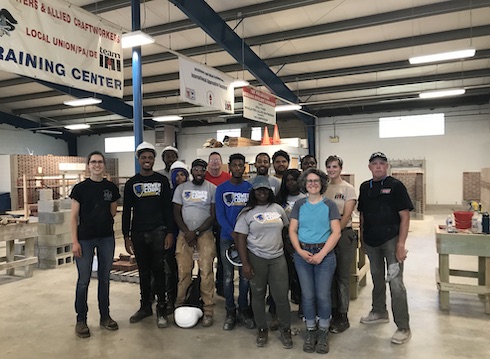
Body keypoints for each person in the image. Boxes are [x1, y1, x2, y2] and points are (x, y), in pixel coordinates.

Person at [357, 152, 413, 345]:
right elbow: (362, 215)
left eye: (382, 163)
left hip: (391, 241)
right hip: (371, 242)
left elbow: (405, 216)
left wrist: (401, 244)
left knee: (396, 283)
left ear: (387, 166)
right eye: (375, 164)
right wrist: (362, 240)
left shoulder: (396, 186)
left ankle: (403, 327)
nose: (378, 167)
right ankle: (379, 311)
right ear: (369, 167)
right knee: (376, 278)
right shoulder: (365, 187)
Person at [235, 176, 293, 349]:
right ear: (253, 192)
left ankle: (285, 329)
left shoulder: (278, 209)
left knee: (281, 296)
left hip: (277, 258)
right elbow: (241, 239)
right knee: (258, 294)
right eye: (258, 189)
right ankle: (262, 328)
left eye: (265, 189)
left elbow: (286, 231)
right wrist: (245, 264)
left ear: (270, 191)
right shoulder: (246, 213)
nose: (262, 192)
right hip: (256, 257)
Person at [122, 142, 174, 328]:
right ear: (138, 160)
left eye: (150, 158)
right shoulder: (131, 183)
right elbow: (127, 210)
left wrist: (169, 232)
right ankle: (145, 307)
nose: (147, 161)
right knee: (143, 271)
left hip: (158, 231)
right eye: (143, 158)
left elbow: (168, 208)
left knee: (159, 271)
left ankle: (161, 307)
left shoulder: (162, 181)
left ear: (153, 160)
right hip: (138, 233)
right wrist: (126, 236)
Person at [289, 168, 341, 354]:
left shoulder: (330, 205)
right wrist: (300, 251)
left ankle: (323, 331)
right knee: (308, 295)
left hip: (324, 254)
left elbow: (336, 232)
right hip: (303, 254)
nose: (312, 184)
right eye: (309, 181)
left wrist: (321, 254)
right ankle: (311, 330)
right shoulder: (299, 205)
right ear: (304, 183)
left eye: (316, 181)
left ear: (322, 184)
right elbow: (292, 230)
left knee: (322, 295)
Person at [71, 151, 121, 338]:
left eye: (100, 162)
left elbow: (113, 212)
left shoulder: (111, 188)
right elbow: (74, 217)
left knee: (104, 279)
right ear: (88, 165)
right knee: (83, 280)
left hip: (106, 238)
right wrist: (75, 241)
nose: (97, 165)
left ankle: (105, 316)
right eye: (93, 162)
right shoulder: (80, 188)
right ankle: (81, 320)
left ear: (104, 165)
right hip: (84, 239)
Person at [173, 159, 217, 327]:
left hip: (204, 235)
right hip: (184, 235)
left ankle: (208, 310)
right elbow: (176, 212)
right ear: (191, 170)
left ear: (206, 171)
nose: (199, 172)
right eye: (196, 169)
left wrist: (197, 232)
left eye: (202, 169)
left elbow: (213, 215)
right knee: (184, 272)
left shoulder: (212, 188)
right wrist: (186, 232)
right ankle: (180, 304)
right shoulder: (181, 189)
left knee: (206, 272)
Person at [215, 153, 254, 330]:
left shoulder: (250, 188)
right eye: (235, 165)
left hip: (246, 239)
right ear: (229, 167)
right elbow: (219, 214)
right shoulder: (221, 189)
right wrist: (233, 233)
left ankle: (244, 310)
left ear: (244, 168)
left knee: (245, 277)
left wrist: (242, 234)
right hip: (227, 238)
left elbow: (252, 212)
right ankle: (230, 311)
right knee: (228, 277)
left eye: (241, 165)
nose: (238, 168)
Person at [325, 155, 357, 334]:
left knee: (342, 277)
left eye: (334, 166)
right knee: (329, 276)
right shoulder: (323, 188)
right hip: (326, 236)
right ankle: (332, 311)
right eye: (328, 167)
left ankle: (343, 316)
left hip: (343, 235)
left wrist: (336, 233)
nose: (331, 170)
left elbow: (346, 214)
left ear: (341, 168)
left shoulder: (348, 189)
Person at [275, 169, 306, 316]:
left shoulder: (306, 198)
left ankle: (303, 307)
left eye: (294, 179)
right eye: (287, 180)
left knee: (301, 277)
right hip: (281, 242)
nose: (290, 183)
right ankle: (279, 309)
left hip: (302, 241)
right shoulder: (279, 200)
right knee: (283, 277)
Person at [204, 151, 231, 298]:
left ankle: (221, 286)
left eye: (217, 160)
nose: (215, 162)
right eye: (212, 160)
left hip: (223, 222)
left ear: (221, 162)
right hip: (206, 222)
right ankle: (205, 287)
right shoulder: (204, 178)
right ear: (208, 163)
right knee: (207, 256)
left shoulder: (228, 178)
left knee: (222, 256)